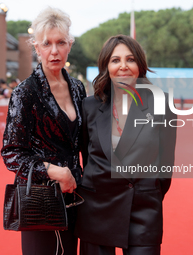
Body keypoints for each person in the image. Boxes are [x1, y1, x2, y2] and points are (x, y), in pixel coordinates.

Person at [75, 35, 177, 255]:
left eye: (130, 59)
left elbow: (166, 163)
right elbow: (88, 155)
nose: (123, 66)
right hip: (97, 207)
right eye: (115, 60)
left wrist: (149, 192)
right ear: (106, 67)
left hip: (143, 209)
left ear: (140, 66)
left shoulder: (162, 104)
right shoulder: (89, 106)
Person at [1, 7, 86, 255]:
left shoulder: (78, 88)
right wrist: (54, 171)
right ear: (37, 48)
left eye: (61, 42)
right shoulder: (25, 93)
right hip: (40, 199)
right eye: (47, 43)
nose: (54, 51)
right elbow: (12, 153)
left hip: (74, 198)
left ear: (70, 45)